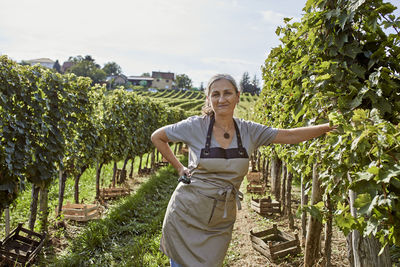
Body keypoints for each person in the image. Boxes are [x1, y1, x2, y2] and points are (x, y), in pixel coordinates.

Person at [151, 74, 335, 267]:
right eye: (215, 94)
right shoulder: (195, 126)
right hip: (187, 214)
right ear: (208, 99)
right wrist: (180, 168)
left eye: (227, 93)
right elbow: (158, 137)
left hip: (220, 219)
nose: (222, 99)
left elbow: (289, 135)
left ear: (238, 96)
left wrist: (327, 127)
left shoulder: (249, 131)